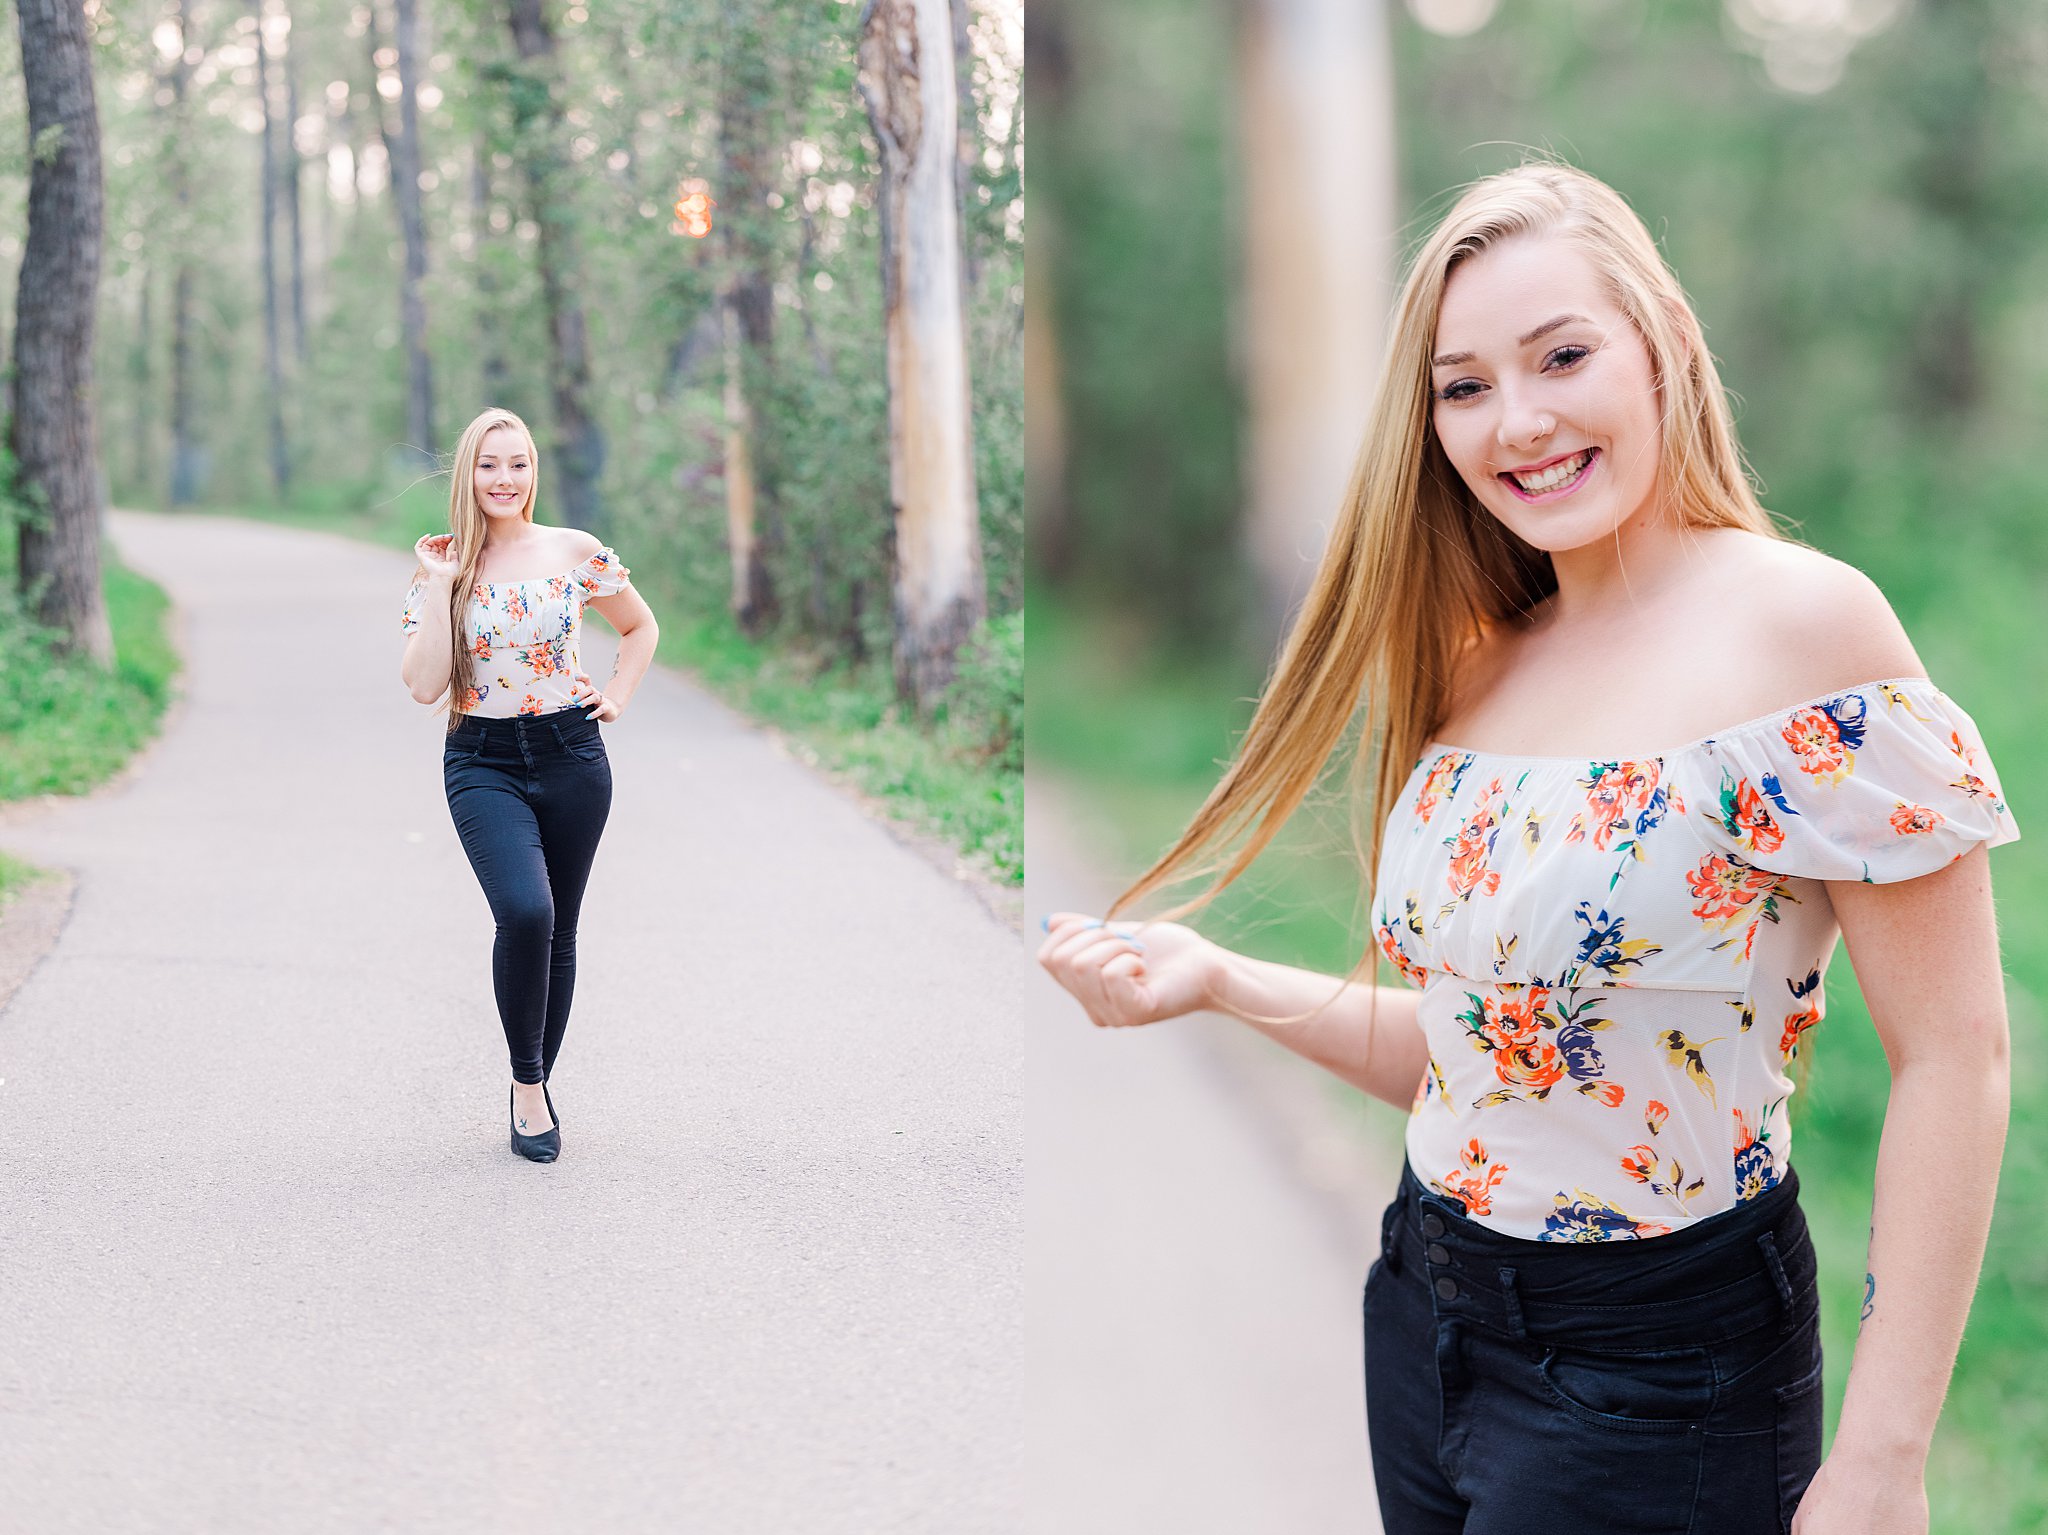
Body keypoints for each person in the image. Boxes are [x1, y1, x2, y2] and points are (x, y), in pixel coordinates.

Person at [1036, 160, 2019, 1534]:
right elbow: (1489, 1057)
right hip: (1426, 1308)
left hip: (1663, 1368)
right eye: (1466, 385)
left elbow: (1955, 1055)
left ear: (1663, 337)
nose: (1521, 419)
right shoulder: (1477, 660)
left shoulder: (1806, 635)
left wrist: (1882, 1456)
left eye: (1562, 354)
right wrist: (1220, 977)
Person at [399, 407, 660, 1163]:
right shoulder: (441, 563)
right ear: (467, 474)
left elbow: (639, 627)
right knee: (526, 908)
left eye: (517, 463)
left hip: (572, 753)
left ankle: (532, 1085)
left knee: (561, 926)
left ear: (532, 470)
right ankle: (525, 1083)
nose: (503, 479)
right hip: (481, 759)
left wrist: (618, 692)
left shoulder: (574, 551)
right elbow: (423, 686)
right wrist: (447, 587)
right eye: (488, 464)